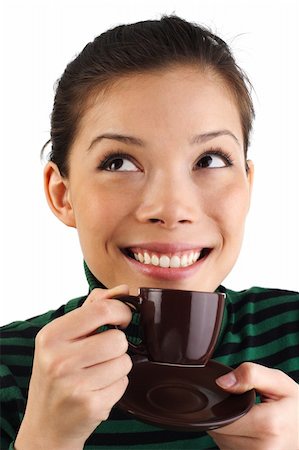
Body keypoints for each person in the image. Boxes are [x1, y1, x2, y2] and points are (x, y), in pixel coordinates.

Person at [0, 14, 298, 450]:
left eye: (210, 159)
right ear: (63, 194)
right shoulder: (8, 371)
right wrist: (46, 439)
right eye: (119, 162)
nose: (172, 209)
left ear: (247, 186)